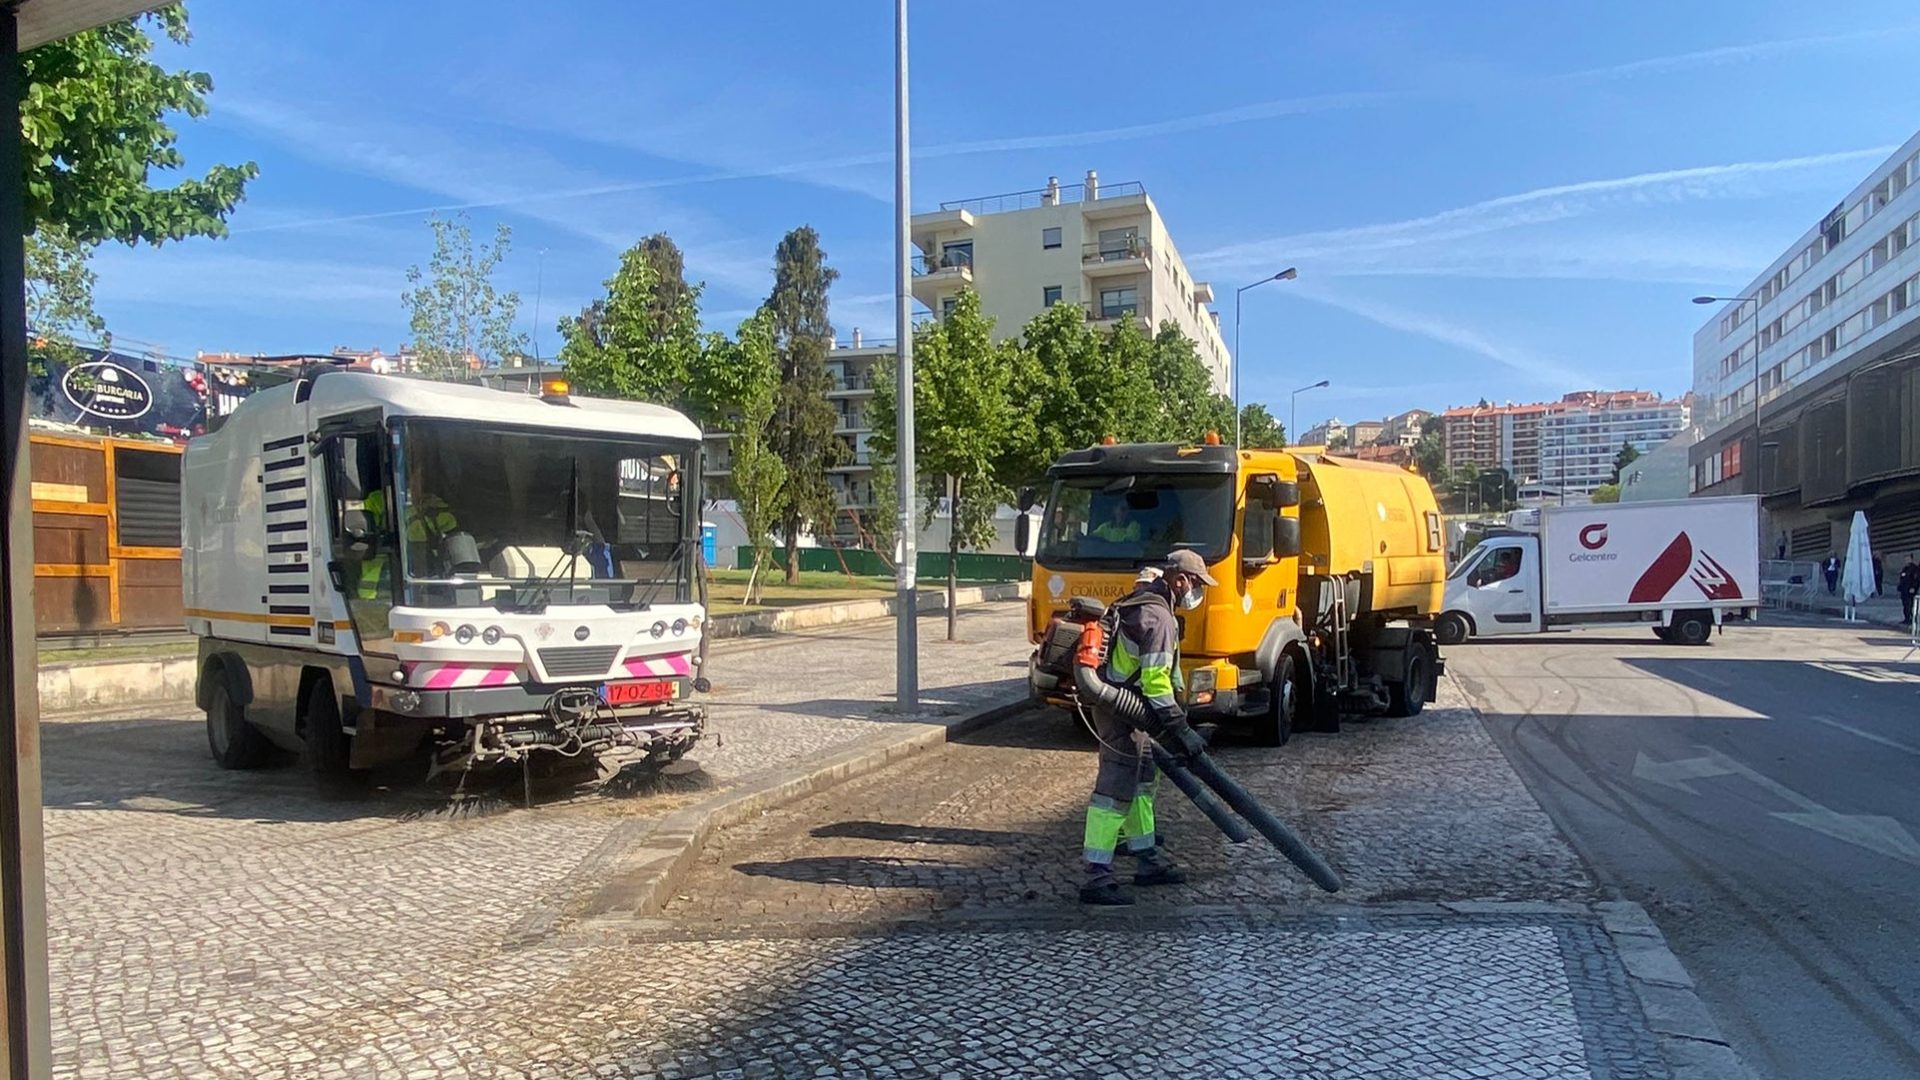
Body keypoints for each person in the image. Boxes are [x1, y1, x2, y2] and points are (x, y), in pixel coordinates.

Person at [1079, 548, 1214, 906]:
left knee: (1141, 782)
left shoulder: (1138, 603)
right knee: (1114, 791)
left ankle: (1147, 859)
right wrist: (1181, 730)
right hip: (1121, 711)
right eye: (1198, 584)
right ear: (1180, 580)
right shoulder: (1159, 618)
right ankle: (1096, 876)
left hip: (1126, 708)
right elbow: (1156, 683)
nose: (1199, 591)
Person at [1899, 553, 1920, 629]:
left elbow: (1916, 579)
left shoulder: (1914, 568)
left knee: (1910, 605)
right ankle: (1906, 618)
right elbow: (1902, 578)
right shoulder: (1905, 568)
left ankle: (1911, 619)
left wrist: (1913, 587)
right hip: (1904, 590)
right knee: (1905, 605)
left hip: (1910, 590)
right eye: (1905, 559)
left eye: (1908, 558)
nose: (1906, 560)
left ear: (1911, 559)